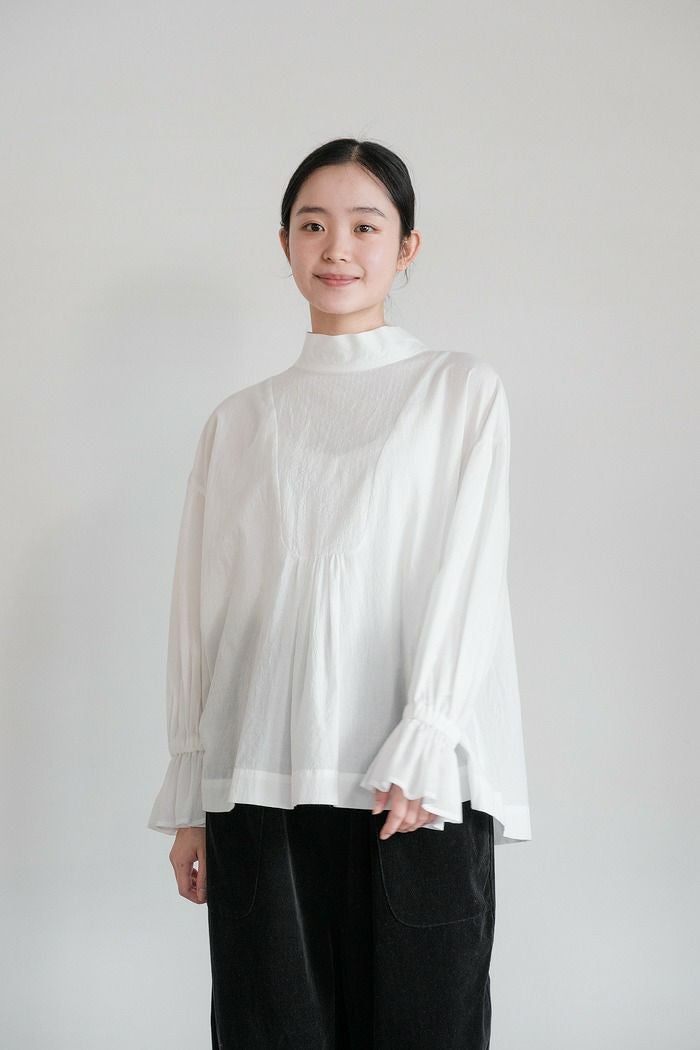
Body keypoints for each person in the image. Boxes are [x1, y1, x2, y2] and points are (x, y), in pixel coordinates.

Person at [148, 136, 531, 1049]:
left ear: (407, 246)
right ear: (284, 243)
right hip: (259, 785)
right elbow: (208, 609)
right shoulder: (240, 421)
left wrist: (430, 731)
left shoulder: (456, 391)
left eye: (365, 226)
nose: (336, 248)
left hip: (412, 786)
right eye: (313, 225)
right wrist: (194, 793)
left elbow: (470, 574)